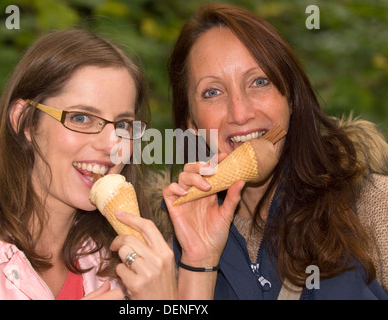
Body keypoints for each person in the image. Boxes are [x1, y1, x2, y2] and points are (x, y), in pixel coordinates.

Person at [162, 3, 388, 299]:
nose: (240, 113)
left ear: (291, 98)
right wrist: (198, 262)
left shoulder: (372, 204)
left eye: (259, 82)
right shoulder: (167, 241)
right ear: (191, 123)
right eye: (212, 92)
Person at [0, 29, 177, 300]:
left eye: (122, 125)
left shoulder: (120, 268)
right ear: (25, 121)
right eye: (81, 118)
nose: (111, 145)